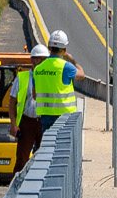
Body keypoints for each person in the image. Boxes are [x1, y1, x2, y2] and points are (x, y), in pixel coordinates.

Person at [13, 30, 80, 170]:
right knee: (58, 153)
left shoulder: (39, 70)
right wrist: (72, 60)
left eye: (40, 58)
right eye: (36, 58)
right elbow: (82, 75)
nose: (38, 61)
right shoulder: (65, 66)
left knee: (45, 153)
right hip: (57, 118)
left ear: (49, 49)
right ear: (64, 50)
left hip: (44, 118)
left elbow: (35, 95)